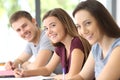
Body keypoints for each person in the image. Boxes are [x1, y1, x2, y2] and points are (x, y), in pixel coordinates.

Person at [13, 8, 91, 79]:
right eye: (46, 28)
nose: (49, 32)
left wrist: (57, 77)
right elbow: (47, 69)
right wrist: (25, 73)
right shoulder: (60, 47)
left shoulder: (76, 42)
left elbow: (72, 76)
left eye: (53, 25)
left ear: (65, 24)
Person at [70, 0, 120, 80]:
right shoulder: (96, 47)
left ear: (102, 20)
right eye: (78, 26)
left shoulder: (118, 49)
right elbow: (82, 77)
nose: (83, 31)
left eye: (88, 23)